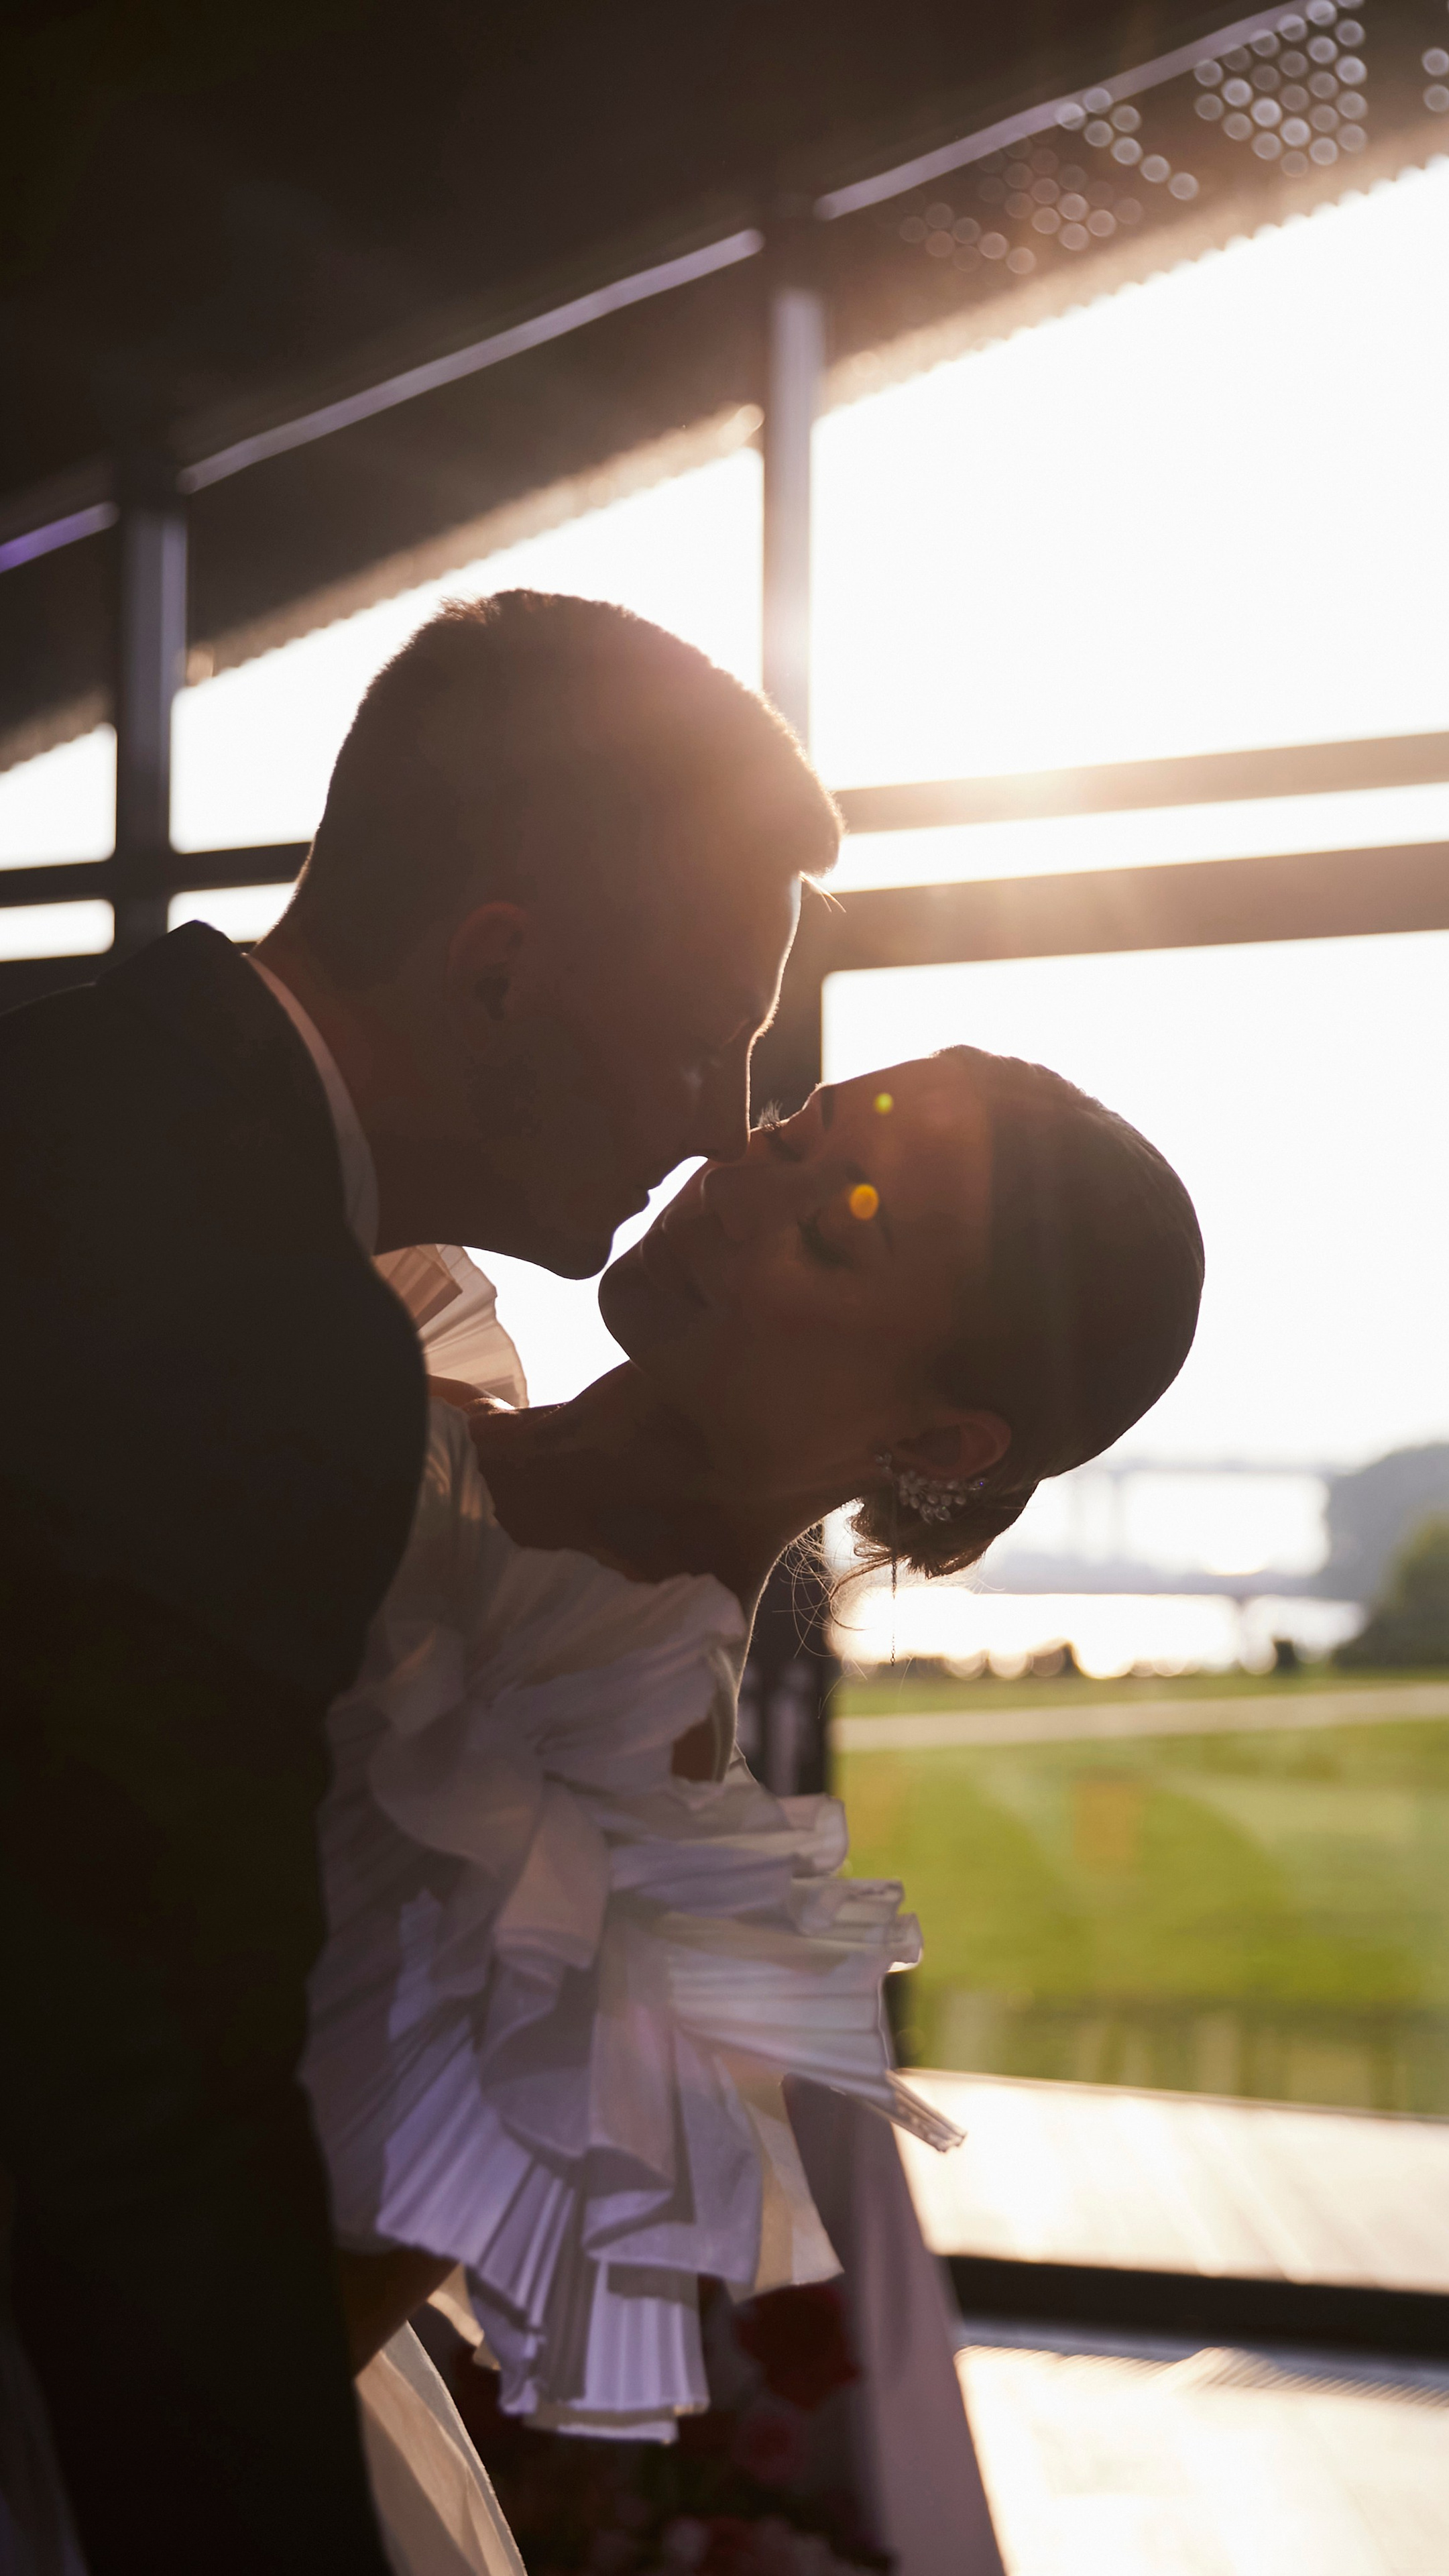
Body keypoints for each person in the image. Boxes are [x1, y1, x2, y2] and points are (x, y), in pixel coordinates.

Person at [0, 590, 839, 2575]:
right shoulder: (271, 1344)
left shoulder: (80, 1091)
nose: (715, 1131)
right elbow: (127, 2085)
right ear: (497, 974)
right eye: (709, 1045)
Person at [306, 1044, 1204, 2568]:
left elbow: (310, 2305)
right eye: (792, 1134)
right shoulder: (379, 1335)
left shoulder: (618, 1793)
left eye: (833, 1224)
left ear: (938, 1439)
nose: (741, 1179)